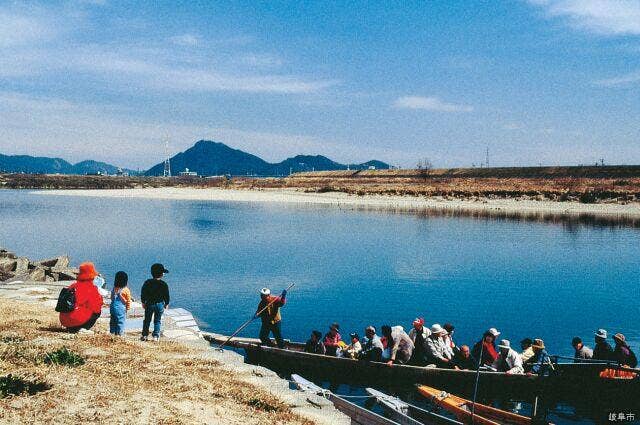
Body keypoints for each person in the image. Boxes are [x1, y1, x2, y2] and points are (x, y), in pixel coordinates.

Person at [59, 262, 103, 333]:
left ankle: (71, 328)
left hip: (64, 321)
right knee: (97, 312)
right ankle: (81, 327)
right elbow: (96, 309)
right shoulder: (91, 288)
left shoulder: (73, 285)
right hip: (76, 320)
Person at [141, 263, 170, 342]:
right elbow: (166, 295)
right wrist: (166, 303)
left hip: (149, 304)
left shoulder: (147, 282)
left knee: (147, 320)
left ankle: (144, 335)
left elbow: (143, 292)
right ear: (161, 274)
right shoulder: (164, 284)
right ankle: (156, 336)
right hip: (159, 304)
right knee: (157, 320)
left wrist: (143, 302)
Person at [109, 271, 131, 336]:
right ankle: (119, 334)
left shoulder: (114, 288)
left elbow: (112, 298)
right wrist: (127, 308)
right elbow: (128, 300)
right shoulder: (126, 290)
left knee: (113, 321)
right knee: (120, 321)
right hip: (121, 308)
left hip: (113, 307)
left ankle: (112, 332)